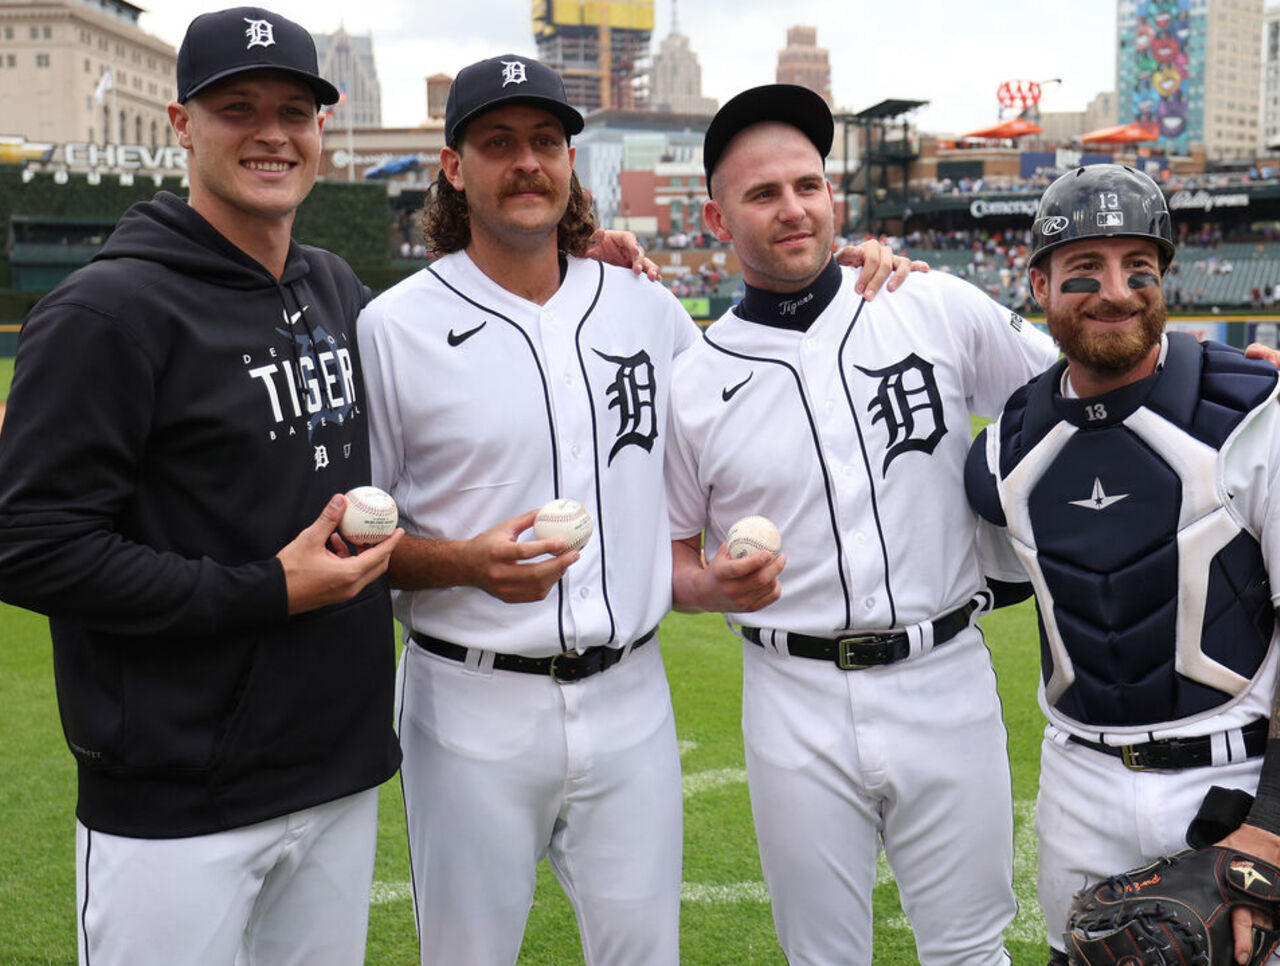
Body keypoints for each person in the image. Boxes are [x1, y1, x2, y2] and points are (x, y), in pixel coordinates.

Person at [357, 57, 908, 966]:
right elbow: (364, 540)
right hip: (468, 700)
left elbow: (753, 389)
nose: (526, 162)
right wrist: (462, 563)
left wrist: (848, 269)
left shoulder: (643, 305)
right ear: (454, 168)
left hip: (631, 700)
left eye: (545, 141)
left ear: (572, 160)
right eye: (498, 143)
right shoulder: (396, 325)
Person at [0, 8, 406, 966]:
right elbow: (30, 546)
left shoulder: (337, 286)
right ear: (183, 125)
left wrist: (580, 263)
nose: (272, 132)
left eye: (294, 110)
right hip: (178, 801)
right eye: (238, 108)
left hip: (336, 772)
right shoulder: (106, 311)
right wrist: (270, 588)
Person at [663, 84, 1060, 966]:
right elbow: (668, 558)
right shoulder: (694, 377)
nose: (793, 208)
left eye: (808, 184)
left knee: (970, 951)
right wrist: (708, 584)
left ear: (833, 192)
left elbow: (1084, 390)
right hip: (791, 693)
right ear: (716, 217)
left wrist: (1232, 383)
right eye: (762, 194)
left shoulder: (931, 305)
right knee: (825, 958)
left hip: (946, 673)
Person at [965, 163, 1280, 966]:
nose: (1116, 291)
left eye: (1140, 269)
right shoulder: (1002, 452)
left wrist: (1271, 826)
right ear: (1038, 284)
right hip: (1079, 780)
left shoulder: (1254, 414)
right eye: (1084, 271)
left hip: (1236, 770)